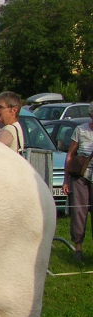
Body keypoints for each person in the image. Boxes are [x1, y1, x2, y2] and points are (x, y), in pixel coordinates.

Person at [62, 104, 93, 261]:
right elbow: (70, 155)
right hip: (80, 176)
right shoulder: (81, 130)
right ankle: (78, 249)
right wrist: (66, 179)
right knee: (79, 212)